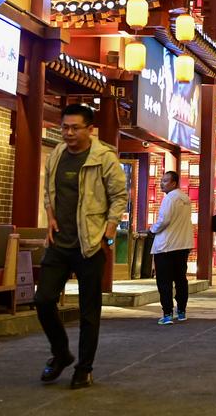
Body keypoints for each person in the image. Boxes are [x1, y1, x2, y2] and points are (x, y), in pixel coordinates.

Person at [34, 103, 127, 389]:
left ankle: (84, 368)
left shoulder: (104, 157)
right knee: (43, 300)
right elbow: (50, 191)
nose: (69, 133)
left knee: (89, 311)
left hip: (90, 244)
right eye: (65, 127)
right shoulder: (58, 155)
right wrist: (49, 217)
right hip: (59, 243)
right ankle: (61, 353)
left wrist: (108, 233)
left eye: (75, 128)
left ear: (90, 129)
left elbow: (119, 197)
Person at [150, 171, 193, 325]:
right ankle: (181, 311)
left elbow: (164, 220)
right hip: (182, 245)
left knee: (164, 281)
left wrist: (152, 229)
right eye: (162, 180)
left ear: (174, 183)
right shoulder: (186, 199)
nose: (162, 183)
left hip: (166, 246)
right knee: (181, 279)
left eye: (166, 181)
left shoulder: (169, 198)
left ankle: (167, 313)